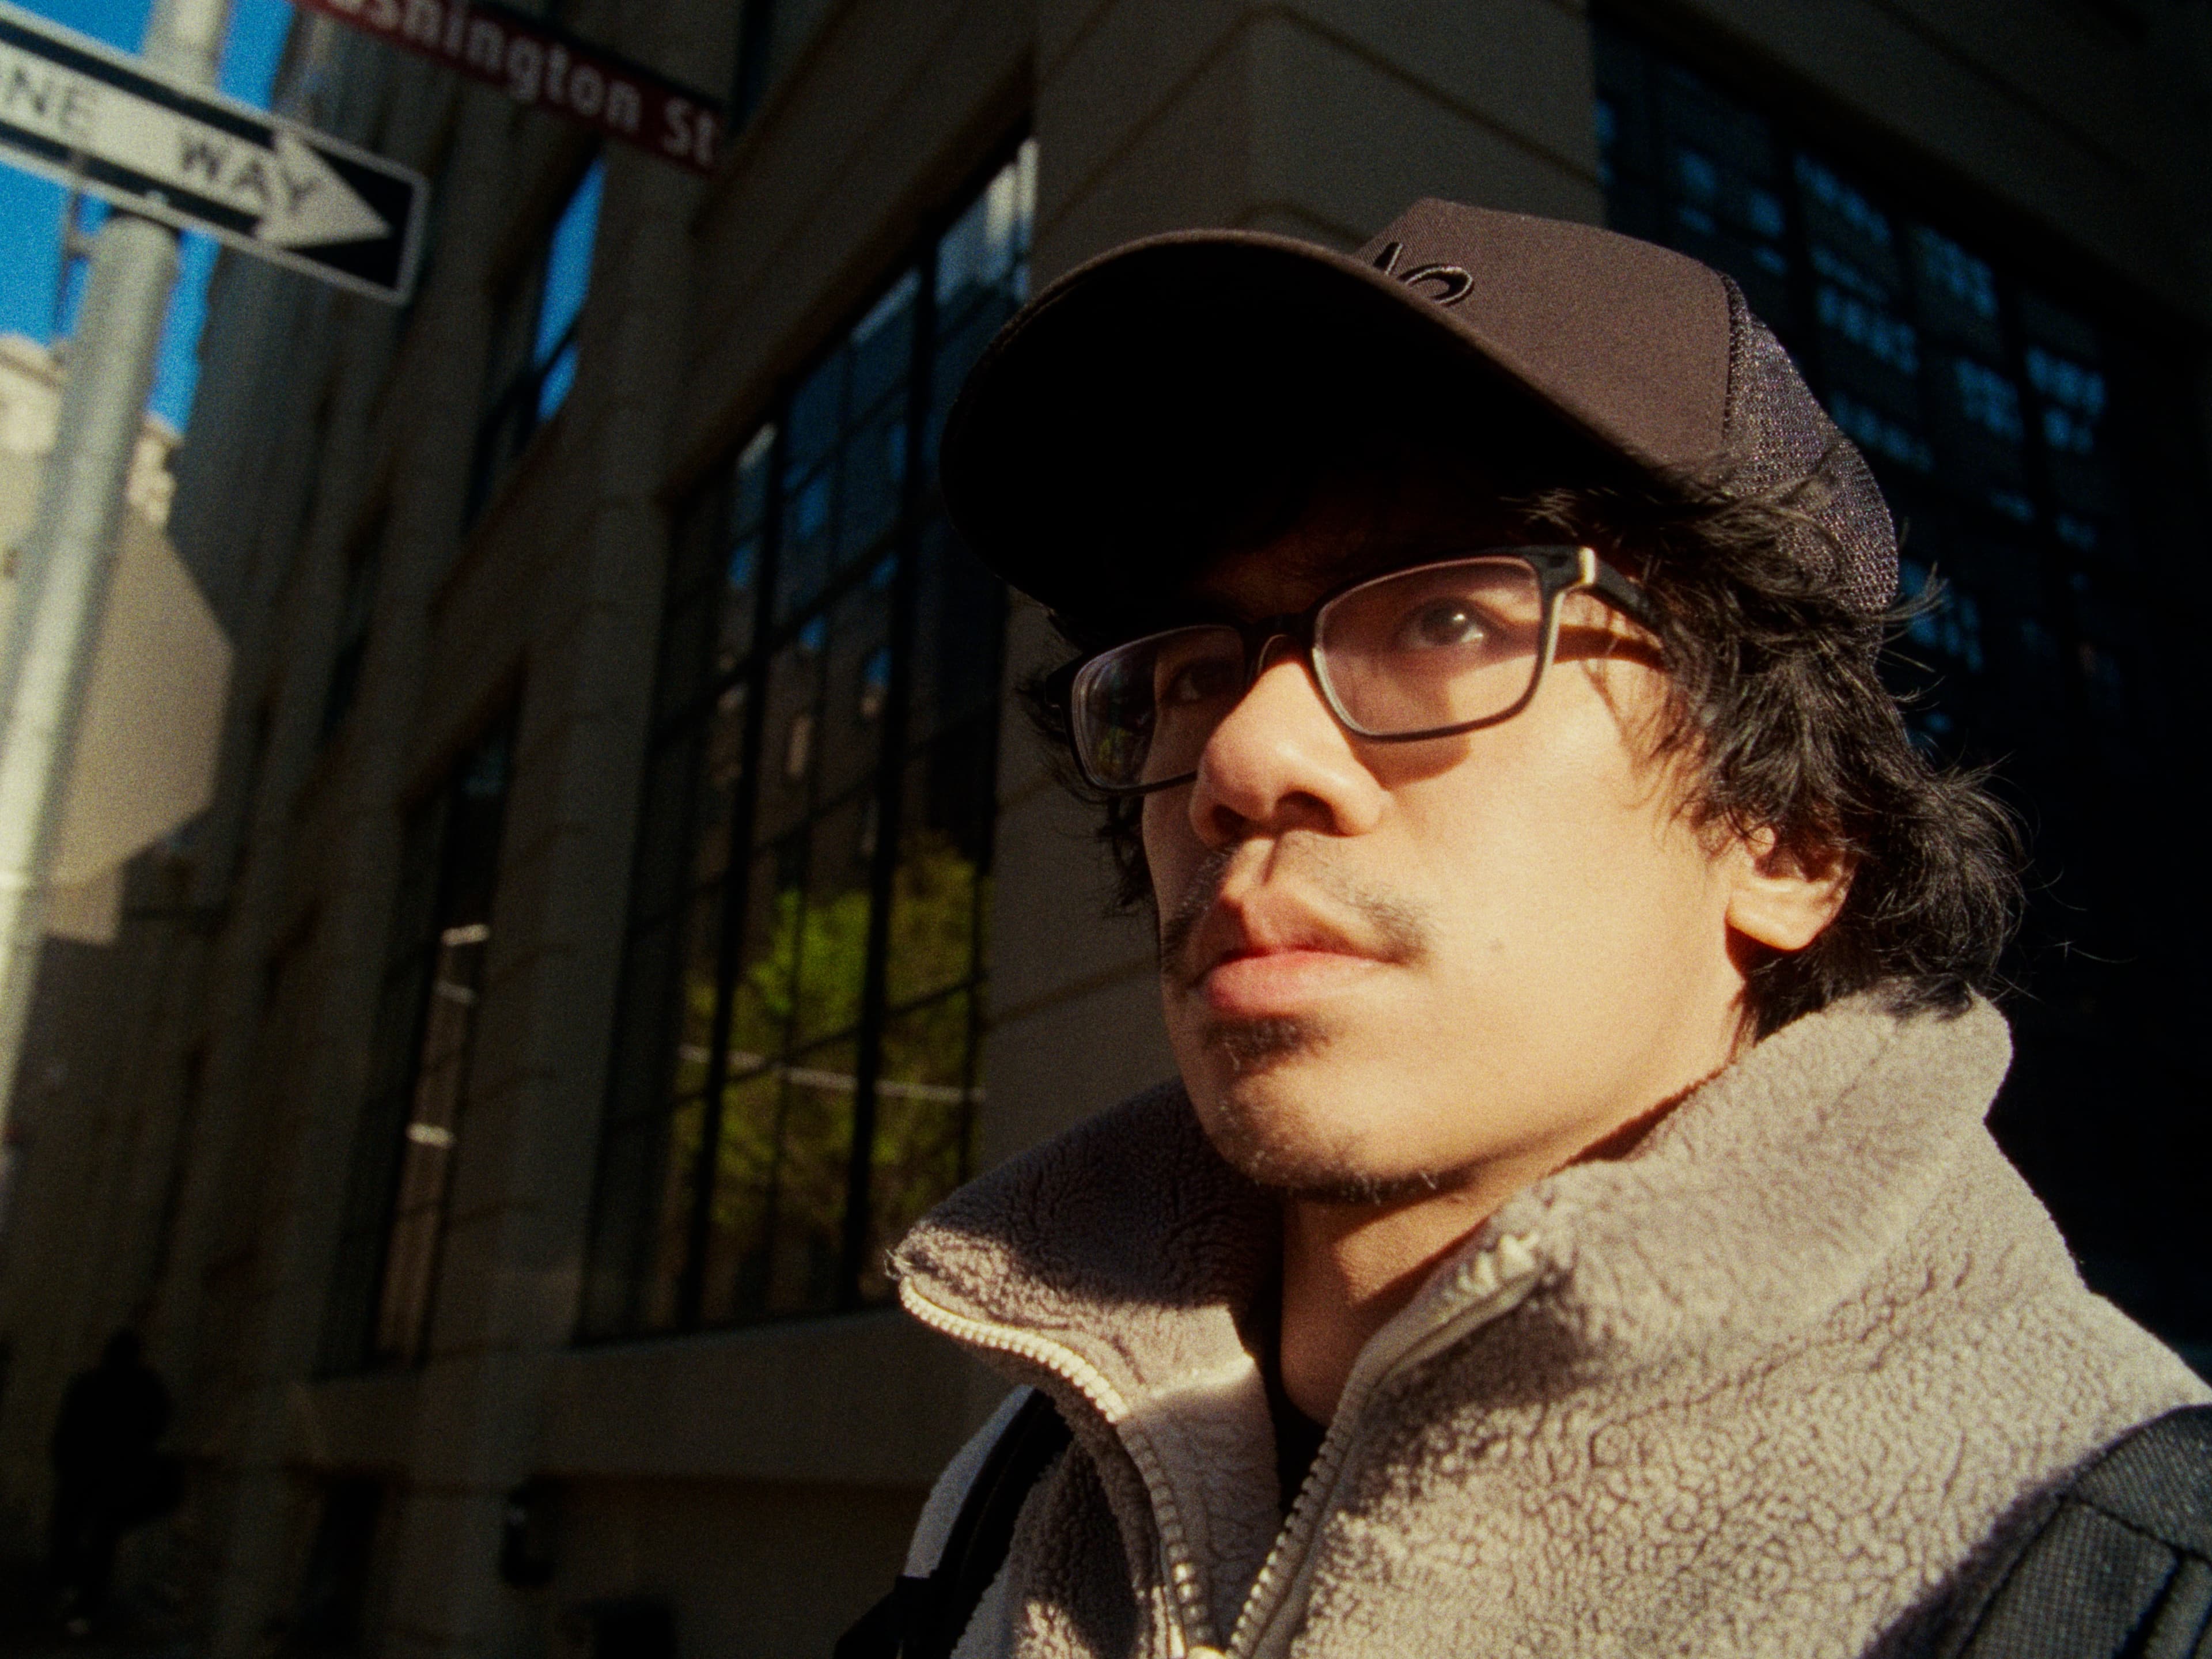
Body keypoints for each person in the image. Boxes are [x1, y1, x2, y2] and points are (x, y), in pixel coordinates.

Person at [849, 200, 2211, 1657]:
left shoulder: (2118, 1580)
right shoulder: (1013, 1488)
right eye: (1187, 671)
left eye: (1443, 622)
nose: (1243, 759)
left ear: (1791, 839)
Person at [48, 1328, 176, 1633]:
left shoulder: (92, 1384)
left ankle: (71, 1600)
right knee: (97, 1543)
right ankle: (81, 1607)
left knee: (73, 1536)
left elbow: (68, 1428)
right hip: (112, 1476)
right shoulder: (142, 1386)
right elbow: (158, 1423)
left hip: (90, 1474)